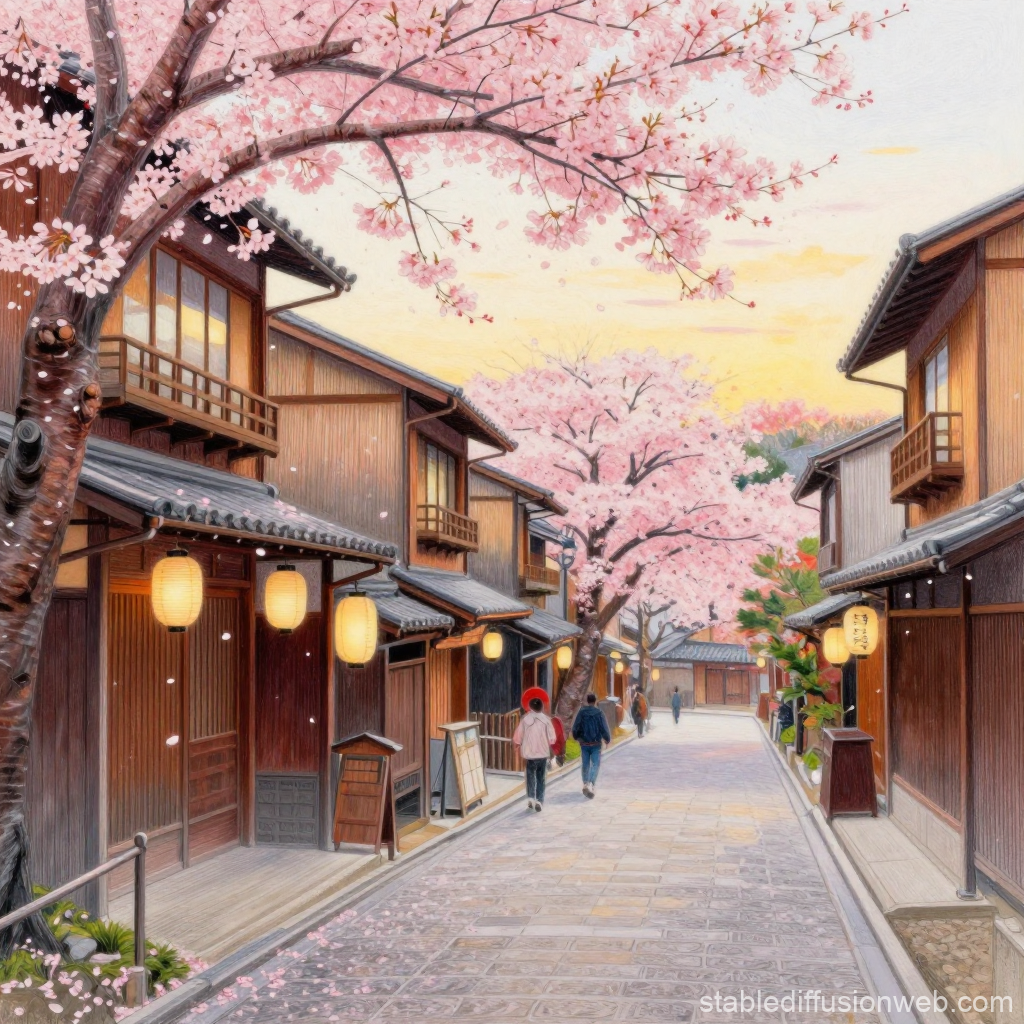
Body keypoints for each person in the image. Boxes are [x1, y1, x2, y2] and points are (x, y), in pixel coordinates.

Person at [513, 696, 557, 812]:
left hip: (530, 754)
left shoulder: (525, 720)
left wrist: (518, 743)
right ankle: (539, 800)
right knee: (541, 778)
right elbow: (553, 738)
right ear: (541, 707)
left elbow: (518, 736)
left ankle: (531, 797)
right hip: (542, 754)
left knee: (530, 776)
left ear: (531, 707)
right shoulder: (547, 720)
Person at [572, 693, 612, 798]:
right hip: (596, 743)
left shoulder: (581, 713)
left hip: (584, 743)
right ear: (595, 701)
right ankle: (591, 783)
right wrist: (607, 738)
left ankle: (586, 783)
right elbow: (604, 727)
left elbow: (576, 727)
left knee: (585, 764)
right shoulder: (599, 713)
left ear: (587, 701)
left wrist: (577, 737)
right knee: (595, 764)